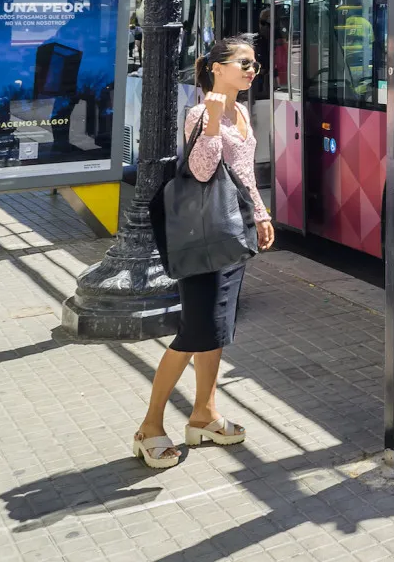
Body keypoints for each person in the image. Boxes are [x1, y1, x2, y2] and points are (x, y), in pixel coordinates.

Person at [134, 35, 276, 469]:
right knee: (193, 333)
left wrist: (261, 214)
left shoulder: (242, 112)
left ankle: (204, 416)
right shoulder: (201, 113)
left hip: (231, 234)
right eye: (244, 63)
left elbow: (244, 174)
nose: (252, 70)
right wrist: (212, 121)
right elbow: (200, 170)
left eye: (255, 64)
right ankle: (149, 427)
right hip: (203, 238)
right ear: (217, 68)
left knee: (216, 332)